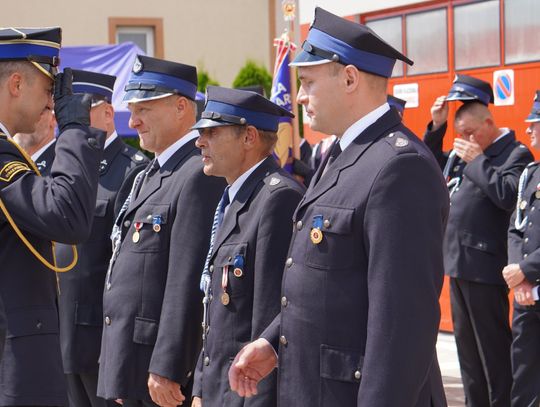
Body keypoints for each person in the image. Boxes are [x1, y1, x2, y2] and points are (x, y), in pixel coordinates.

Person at [228, 8, 449, 406]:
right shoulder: (344, 153)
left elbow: (402, 324)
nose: (299, 96)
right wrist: (273, 343)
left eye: (308, 82)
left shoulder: (399, 166)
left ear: (349, 78)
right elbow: (329, 287)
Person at [97, 55, 226, 407]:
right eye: (132, 110)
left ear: (181, 107)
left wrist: (169, 366)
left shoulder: (196, 175)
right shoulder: (148, 175)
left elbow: (186, 279)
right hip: (129, 359)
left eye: (144, 109)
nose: (133, 121)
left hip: (157, 369)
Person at [0, 27, 106, 406]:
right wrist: (74, 129)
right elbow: (67, 216)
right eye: (49, 89)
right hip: (15, 362)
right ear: (16, 84)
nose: (51, 103)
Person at [190, 86, 305, 407]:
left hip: (245, 393)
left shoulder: (277, 198)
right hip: (220, 389)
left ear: (249, 137)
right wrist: (200, 387)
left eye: (212, 132)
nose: (200, 142)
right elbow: (216, 311)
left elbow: (270, 318)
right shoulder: (235, 198)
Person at [424, 75, 533, 407]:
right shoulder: (468, 152)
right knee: (468, 355)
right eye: (461, 134)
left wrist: (478, 161)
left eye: (471, 132)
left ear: (489, 123)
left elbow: (508, 195)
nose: (466, 140)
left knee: (492, 352)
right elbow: (429, 165)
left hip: (485, 265)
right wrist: (437, 127)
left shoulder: (515, 153)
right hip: (458, 261)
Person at [54, 69, 149, 407]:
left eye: (81, 110)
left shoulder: (133, 170)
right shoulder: (66, 165)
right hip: (61, 331)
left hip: (101, 337)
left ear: (108, 113)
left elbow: (129, 268)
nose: (70, 119)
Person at [504, 90, 540, 407]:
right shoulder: (531, 172)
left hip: (532, 282)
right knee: (525, 380)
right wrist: (519, 276)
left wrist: (527, 270)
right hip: (527, 298)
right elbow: (516, 227)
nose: (528, 129)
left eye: (535, 122)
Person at [13, 106, 56, 175]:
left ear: (53, 119)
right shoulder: (10, 159)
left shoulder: (62, 162)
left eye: (31, 111)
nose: (20, 119)